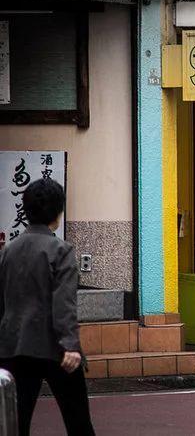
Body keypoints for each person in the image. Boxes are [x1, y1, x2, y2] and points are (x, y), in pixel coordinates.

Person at [0, 178, 95, 436]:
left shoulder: (8, 251)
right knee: (78, 421)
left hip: (14, 347)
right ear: (58, 212)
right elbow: (64, 302)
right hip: (55, 349)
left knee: (16, 423)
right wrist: (71, 345)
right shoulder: (61, 250)